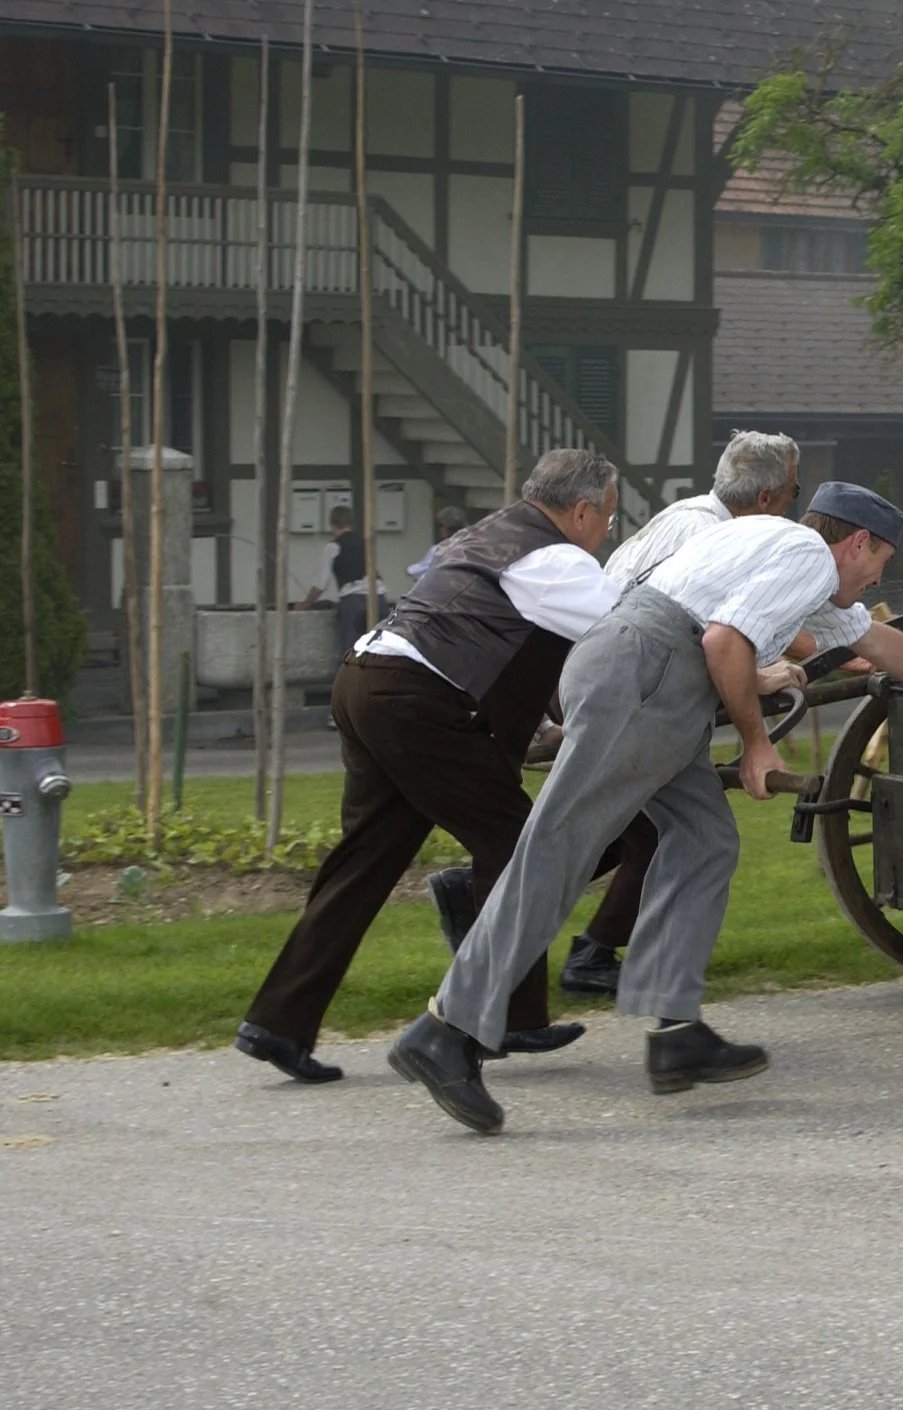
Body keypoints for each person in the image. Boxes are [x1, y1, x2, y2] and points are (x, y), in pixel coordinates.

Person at [390, 481, 903, 1134]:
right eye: (881, 561)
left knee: (704, 838)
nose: (877, 578)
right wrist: (757, 745)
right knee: (556, 850)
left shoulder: (775, 545)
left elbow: (876, 643)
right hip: (647, 676)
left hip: (649, 674)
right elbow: (724, 641)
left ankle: (676, 1030)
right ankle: (445, 1030)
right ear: (858, 542)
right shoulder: (808, 555)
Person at [232, 450, 622, 1083]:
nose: (607, 529)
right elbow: (630, 633)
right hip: (415, 698)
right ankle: (505, 1017)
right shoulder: (557, 560)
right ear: (581, 511)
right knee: (519, 847)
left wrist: (547, 721)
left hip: (365, 677)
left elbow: (511, 642)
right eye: (608, 515)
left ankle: (277, 1023)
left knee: (364, 861)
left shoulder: (484, 534)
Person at [427, 430, 810, 995]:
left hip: (599, 667)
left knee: (630, 818)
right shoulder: (711, 533)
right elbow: (698, 634)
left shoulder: (694, 518)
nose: (791, 506)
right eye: (793, 493)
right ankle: (586, 956)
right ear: (766, 497)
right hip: (615, 677)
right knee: (659, 828)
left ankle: (501, 913)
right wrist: (757, 676)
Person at [299, 504, 389, 656]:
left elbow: (320, 584)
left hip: (353, 601)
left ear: (333, 525)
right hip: (379, 599)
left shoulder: (333, 547)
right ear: (351, 524)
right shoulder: (366, 543)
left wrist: (305, 604)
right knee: (380, 652)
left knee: (351, 653)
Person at [405, 506, 468, 580]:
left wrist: (408, 570)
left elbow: (417, 571)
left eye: (440, 525)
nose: (439, 529)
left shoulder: (440, 549)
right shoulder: (471, 545)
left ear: (447, 526)